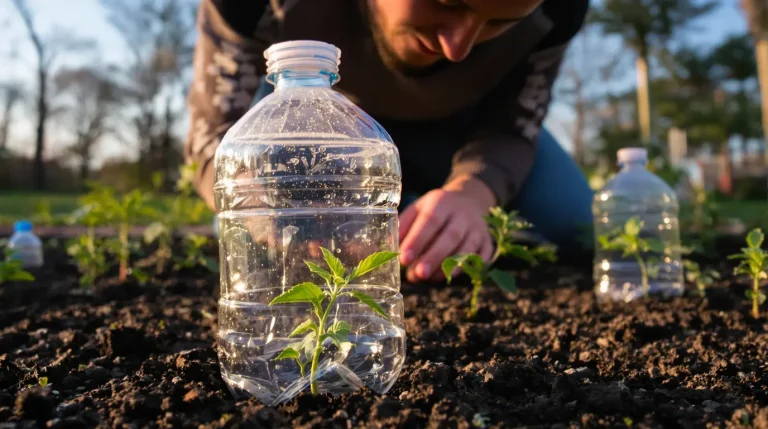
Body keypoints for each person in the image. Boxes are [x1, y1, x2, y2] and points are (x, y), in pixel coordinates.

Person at [185, 0, 594, 284]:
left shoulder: (558, 10)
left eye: (497, 23)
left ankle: (432, 215)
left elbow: (512, 127)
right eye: (447, 3)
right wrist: (275, 217)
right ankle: (408, 210)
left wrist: (472, 196)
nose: (457, 47)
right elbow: (216, 139)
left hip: (462, 134)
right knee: (246, 231)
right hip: (320, 137)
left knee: (582, 225)